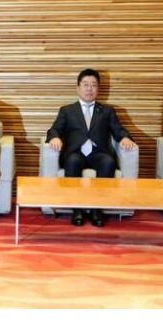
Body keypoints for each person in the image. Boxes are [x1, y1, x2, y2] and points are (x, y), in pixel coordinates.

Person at [46, 68, 136, 227]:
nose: (89, 88)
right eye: (86, 84)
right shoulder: (67, 110)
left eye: (94, 85)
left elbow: (118, 130)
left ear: (98, 89)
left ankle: (96, 210)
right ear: (78, 88)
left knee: (108, 162)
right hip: (75, 152)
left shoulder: (107, 111)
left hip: (98, 153)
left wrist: (125, 138)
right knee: (72, 161)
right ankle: (77, 211)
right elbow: (54, 129)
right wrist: (54, 137)